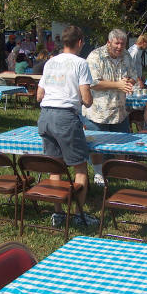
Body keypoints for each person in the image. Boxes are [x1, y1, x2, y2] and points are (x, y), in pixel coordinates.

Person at [36, 25, 98, 226]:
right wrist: (89, 100)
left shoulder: (50, 62)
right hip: (66, 117)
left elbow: (39, 95)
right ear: (80, 42)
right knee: (80, 168)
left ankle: (58, 214)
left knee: (55, 167)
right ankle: (79, 215)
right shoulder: (81, 63)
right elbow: (86, 98)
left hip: (45, 116)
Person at [83, 29, 137, 185]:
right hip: (98, 110)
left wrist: (128, 82)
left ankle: (120, 171)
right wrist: (118, 85)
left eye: (123, 44)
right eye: (117, 43)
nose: (120, 47)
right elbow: (92, 82)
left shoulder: (126, 55)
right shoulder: (95, 56)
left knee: (122, 142)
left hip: (119, 109)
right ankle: (99, 173)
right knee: (97, 144)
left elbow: (134, 76)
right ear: (109, 42)